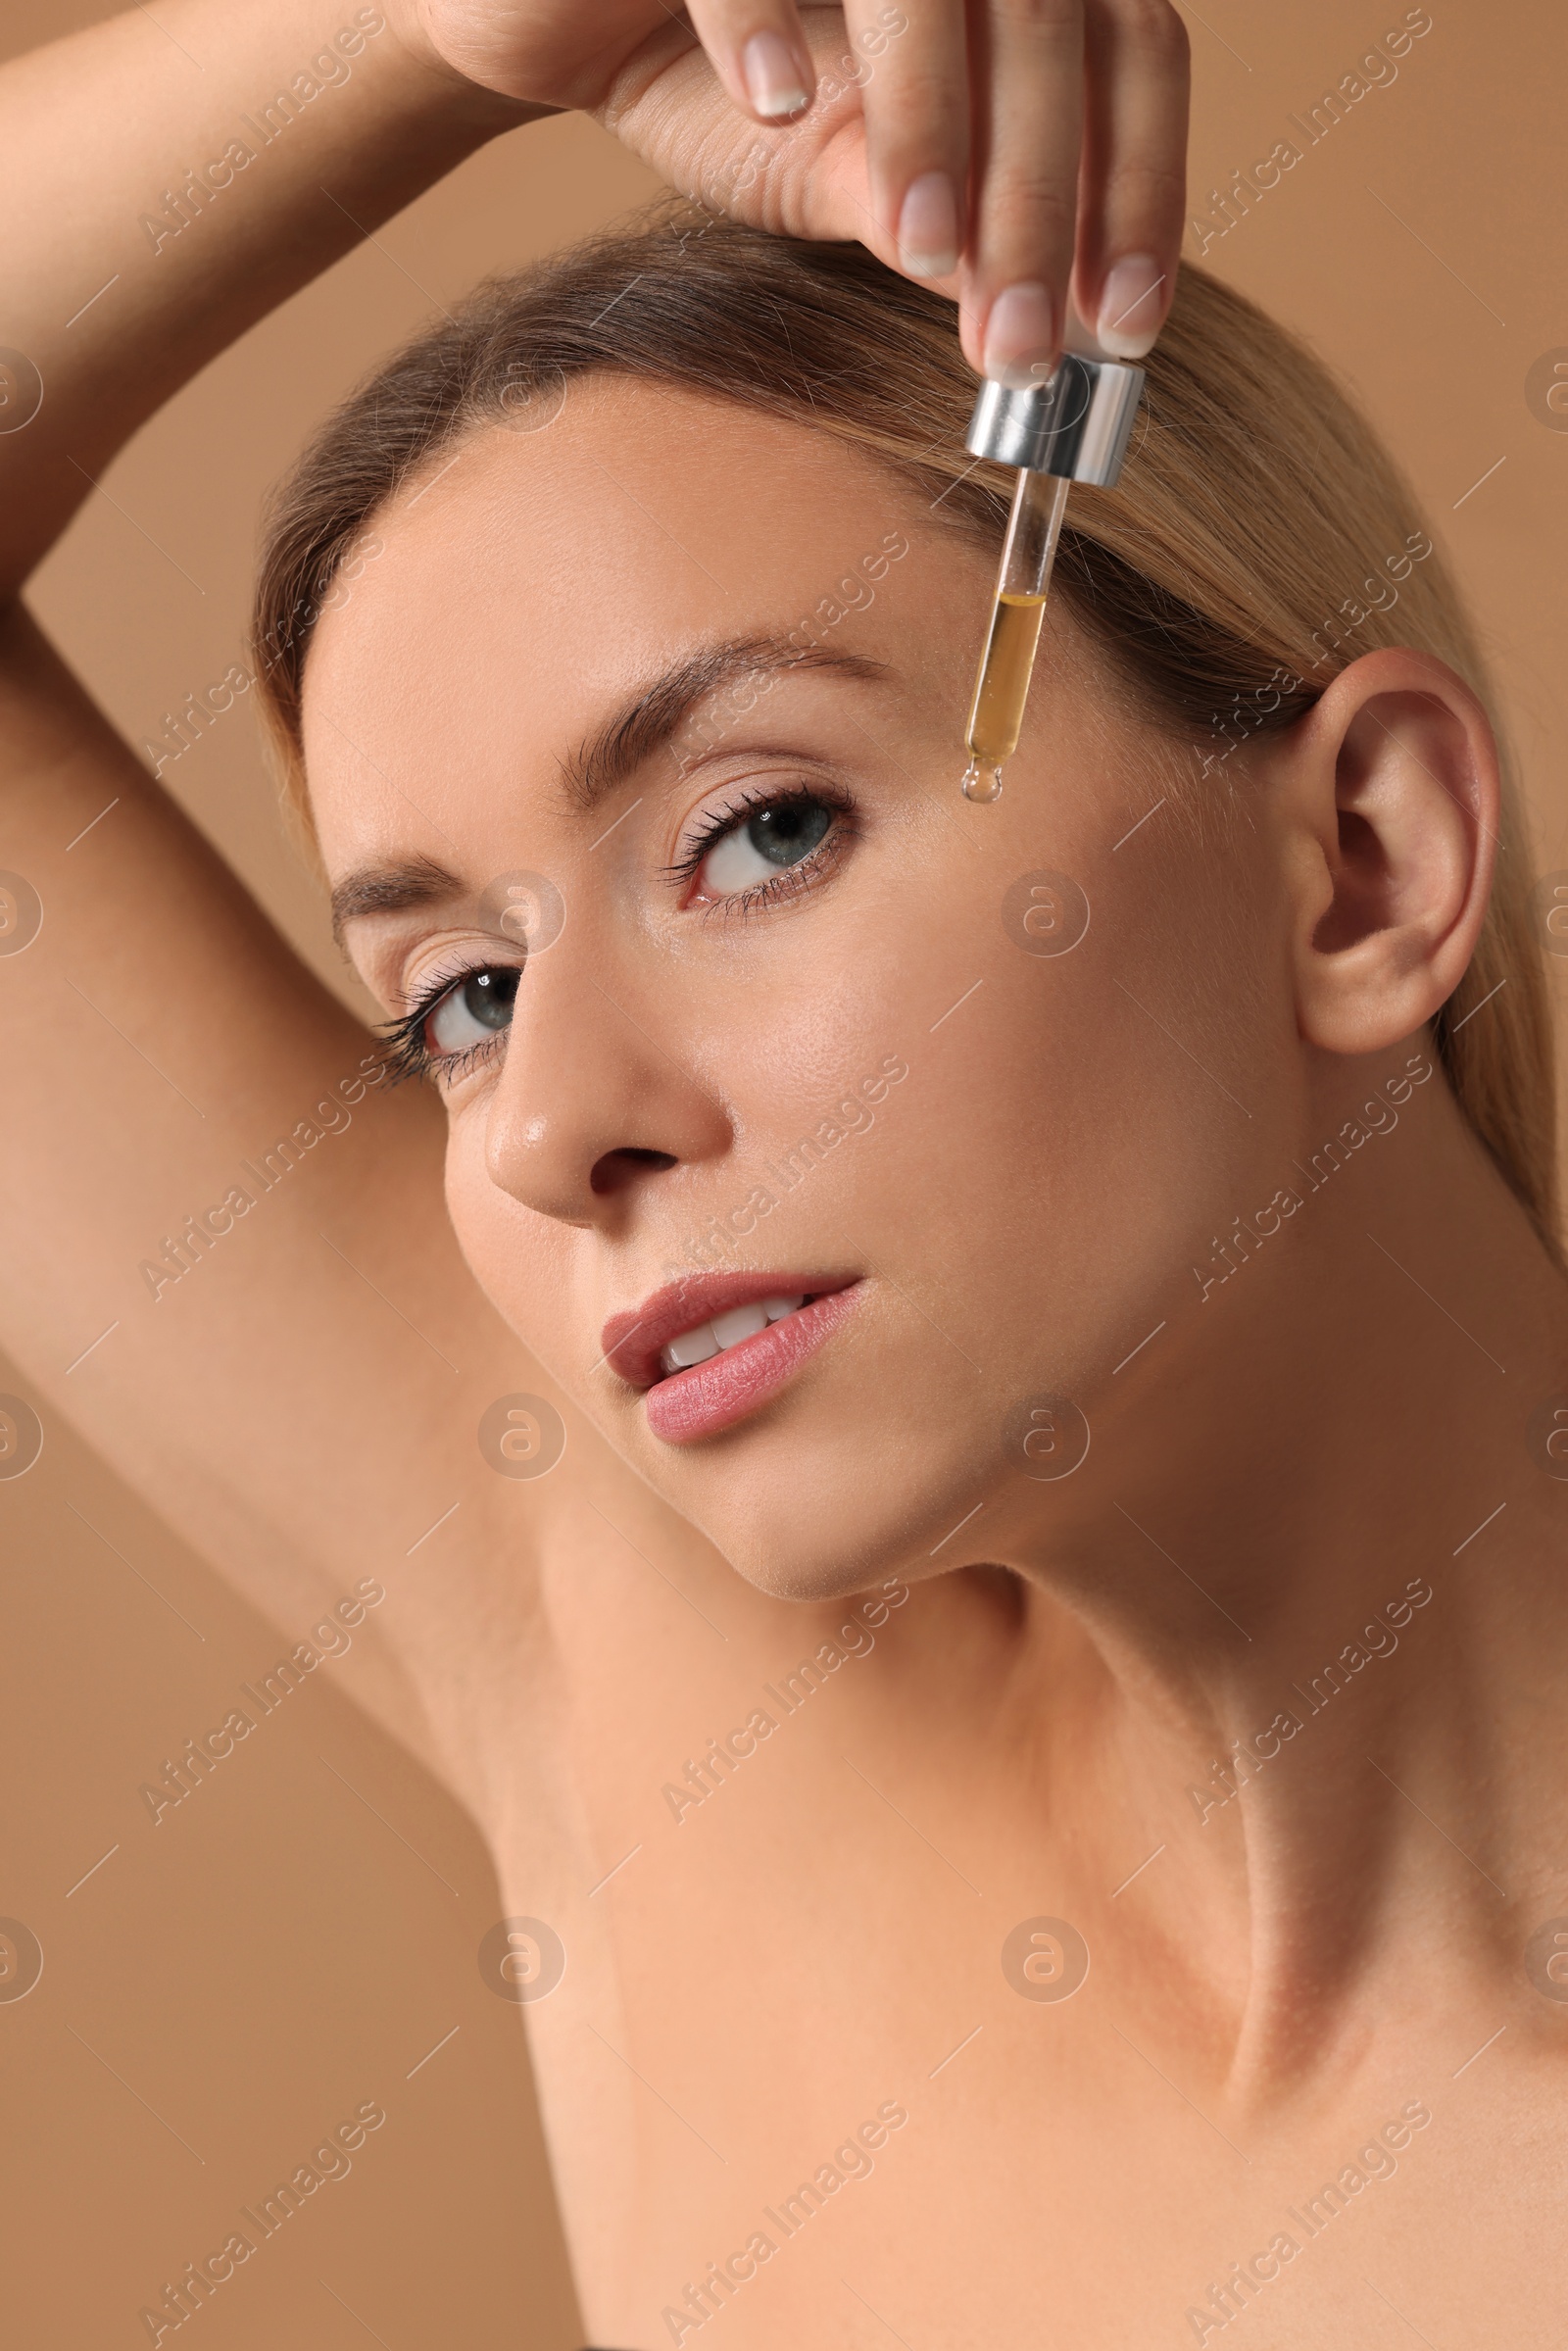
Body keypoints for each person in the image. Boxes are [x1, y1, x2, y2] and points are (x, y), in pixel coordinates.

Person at [3, 2, 1565, 2344]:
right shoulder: (653, 1686)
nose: (546, 1129)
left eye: (755, 831)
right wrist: (436, 28)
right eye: (461, 993)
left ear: (1357, 862)